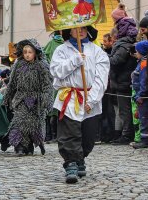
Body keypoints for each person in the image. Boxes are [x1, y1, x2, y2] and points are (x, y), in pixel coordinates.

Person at [50, 26, 109, 184]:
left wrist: (91, 99)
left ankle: (80, 157)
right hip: (69, 98)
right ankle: (71, 163)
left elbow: (101, 79)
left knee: (88, 136)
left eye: (83, 28)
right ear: (70, 31)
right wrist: (75, 60)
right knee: (69, 133)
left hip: (90, 98)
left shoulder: (97, 52)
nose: (80, 31)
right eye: (76, 29)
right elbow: (56, 72)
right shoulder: (61, 50)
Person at [4, 39, 53, 156]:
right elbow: (12, 84)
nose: (27, 54)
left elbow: (48, 85)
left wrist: (46, 99)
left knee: (34, 124)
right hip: (22, 98)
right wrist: (8, 97)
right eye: (25, 52)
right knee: (19, 121)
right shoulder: (18, 66)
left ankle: (30, 145)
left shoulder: (42, 66)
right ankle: (19, 145)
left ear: (35, 52)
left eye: (30, 52)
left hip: (38, 100)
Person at [109, 5, 138, 145]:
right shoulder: (128, 42)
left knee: (125, 111)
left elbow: (116, 61)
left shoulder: (124, 43)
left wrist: (105, 58)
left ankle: (127, 135)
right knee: (125, 110)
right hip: (124, 80)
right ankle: (127, 133)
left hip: (123, 81)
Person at [131, 41, 148, 149]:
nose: (135, 53)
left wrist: (141, 95)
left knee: (144, 118)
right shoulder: (142, 62)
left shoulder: (144, 63)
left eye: (137, 51)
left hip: (143, 96)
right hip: (143, 94)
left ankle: (145, 140)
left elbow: (144, 81)